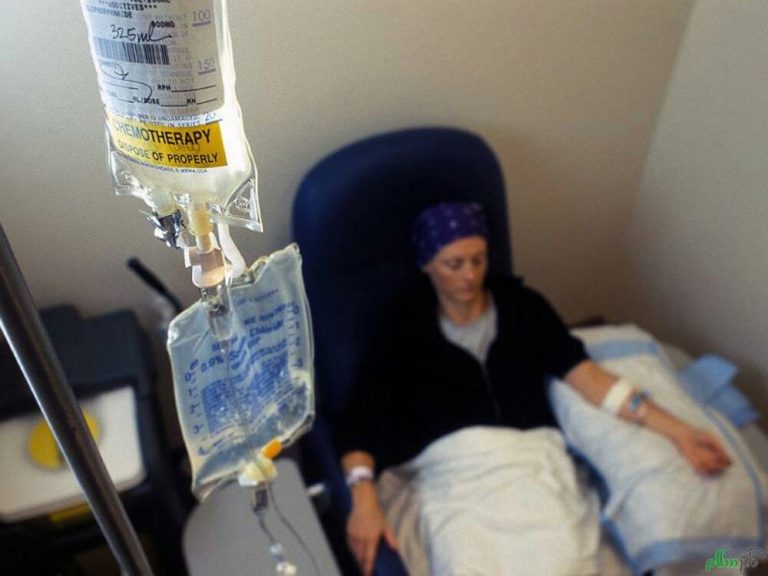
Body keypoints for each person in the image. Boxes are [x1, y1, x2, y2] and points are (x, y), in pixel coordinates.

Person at [336, 201, 732, 576]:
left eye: (478, 260)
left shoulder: (524, 308)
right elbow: (360, 419)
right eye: (453, 264)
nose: (470, 275)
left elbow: (589, 378)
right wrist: (363, 497)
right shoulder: (403, 327)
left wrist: (679, 431)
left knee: (563, 562)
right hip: (456, 477)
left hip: (534, 464)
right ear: (427, 265)